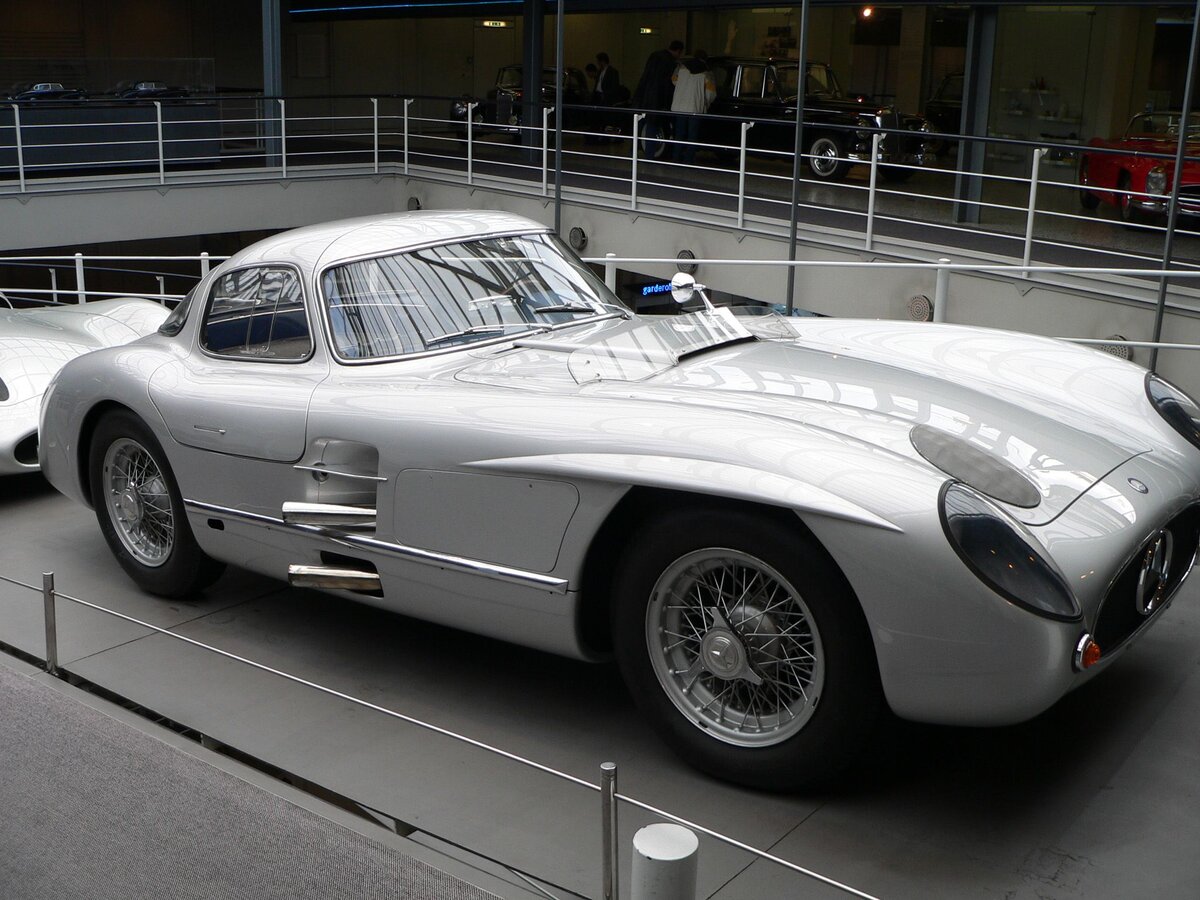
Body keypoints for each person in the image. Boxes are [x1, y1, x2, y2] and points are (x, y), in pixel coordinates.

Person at [632, 39, 684, 158]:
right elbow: (668, 84)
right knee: (653, 126)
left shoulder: (654, 55)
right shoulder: (671, 62)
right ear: (678, 51)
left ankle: (633, 150)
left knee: (640, 124)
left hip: (645, 95)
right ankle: (649, 155)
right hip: (658, 99)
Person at [670, 50, 715, 165]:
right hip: (695, 108)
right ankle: (689, 159)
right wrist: (706, 103)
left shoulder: (682, 68)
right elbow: (710, 94)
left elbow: (674, 81)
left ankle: (676, 157)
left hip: (679, 107)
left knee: (679, 134)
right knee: (692, 135)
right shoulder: (707, 73)